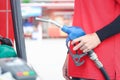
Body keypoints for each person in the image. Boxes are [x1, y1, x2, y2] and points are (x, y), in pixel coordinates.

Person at [62, 0, 120, 80]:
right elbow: (83, 17)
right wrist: (70, 54)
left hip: (103, 65)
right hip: (79, 61)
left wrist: (98, 37)